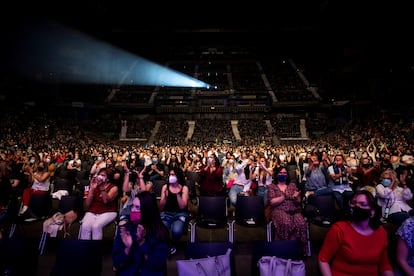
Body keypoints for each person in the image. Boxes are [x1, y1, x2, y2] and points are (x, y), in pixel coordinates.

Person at [318, 190, 394, 276]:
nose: (356, 206)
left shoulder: (381, 233)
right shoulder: (339, 229)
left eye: (363, 204)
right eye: (353, 203)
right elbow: (323, 259)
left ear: (372, 211)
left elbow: (384, 265)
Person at [112, 191, 170, 276]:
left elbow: (156, 265)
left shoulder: (160, 232)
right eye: (132, 206)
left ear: (147, 210)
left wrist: (142, 243)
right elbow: (117, 263)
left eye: (137, 208)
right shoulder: (125, 230)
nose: (132, 210)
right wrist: (127, 249)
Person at [268, 166, 308, 256]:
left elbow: (298, 202)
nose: (283, 175)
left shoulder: (292, 186)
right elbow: (272, 202)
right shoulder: (272, 186)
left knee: (301, 223)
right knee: (286, 222)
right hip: (278, 210)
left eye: (285, 173)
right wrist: (285, 197)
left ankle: (297, 251)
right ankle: (283, 250)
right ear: (277, 174)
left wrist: (296, 197)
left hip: (293, 210)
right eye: (281, 173)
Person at [79, 167, 119, 240]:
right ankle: (84, 248)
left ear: (108, 178)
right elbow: (87, 204)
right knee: (85, 226)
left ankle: (96, 248)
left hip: (108, 211)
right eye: (100, 175)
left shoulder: (114, 188)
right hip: (93, 210)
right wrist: (91, 189)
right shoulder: (95, 186)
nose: (100, 177)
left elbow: (106, 201)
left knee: (96, 226)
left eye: (103, 175)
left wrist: (101, 187)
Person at [159, 168, 189, 255]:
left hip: (180, 213)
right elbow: (161, 206)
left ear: (178, 176)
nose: (171, 177)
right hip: (167, 213)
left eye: (173, 175)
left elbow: (182, 206)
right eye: (170, 175)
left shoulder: (184, 188)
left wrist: (177, 194)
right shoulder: (165, 187)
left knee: (177, 230)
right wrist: (165, 196)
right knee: (162, 228)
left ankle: (173, 245)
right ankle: (165, 245)